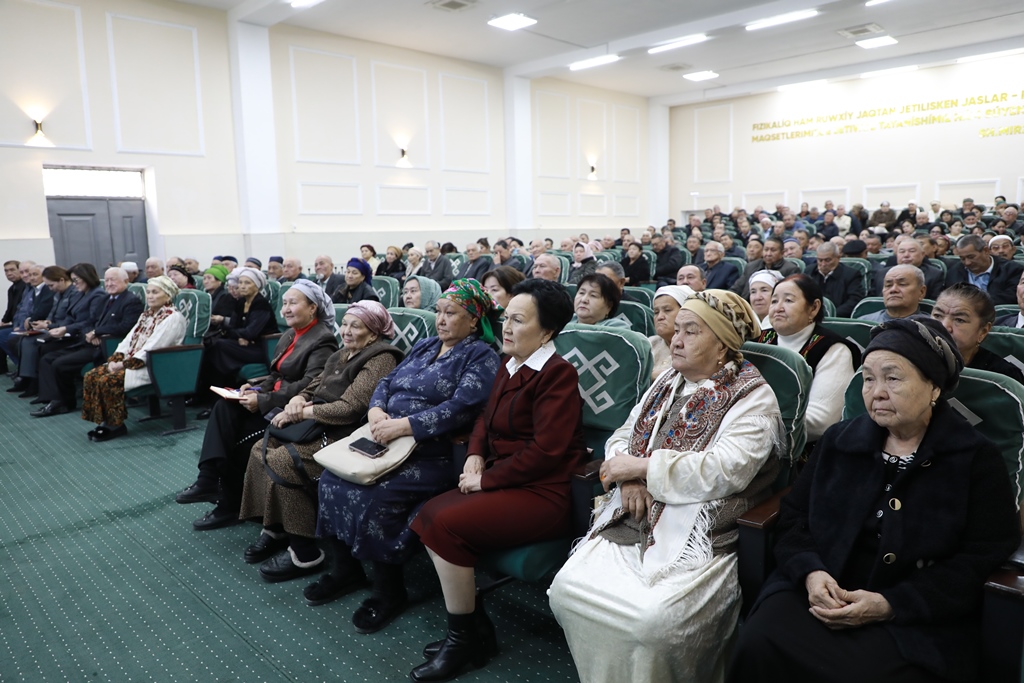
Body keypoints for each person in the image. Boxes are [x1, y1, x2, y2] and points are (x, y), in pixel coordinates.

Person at [729, 316, 1020, 683]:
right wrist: (811, 572)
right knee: (758, 643)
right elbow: (794, 517)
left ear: (934, 387)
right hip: (822, 591)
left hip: (913, 614)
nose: (876, 392)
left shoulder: (974, 458)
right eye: (868, 379)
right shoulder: (839, 441)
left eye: (892, 378)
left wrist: (891, 604)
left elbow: (983, 553)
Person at [550, 289, 785, 683]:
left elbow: (725, 470)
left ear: (723, 344)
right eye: (676, 330)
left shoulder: (753, 396)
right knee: (567, 590)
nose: (675, 340)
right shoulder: (667, 381)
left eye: (691, 331)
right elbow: (623, 434)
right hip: (633, 513)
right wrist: (629, 478)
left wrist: (642, 469)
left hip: (701, 530)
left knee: (651, 622)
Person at [408, 279, 585, 681]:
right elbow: (485, 419)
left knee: (444, 523)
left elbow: (546, 452)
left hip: (544, 492)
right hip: (508, 480)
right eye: (507, 317)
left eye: (519, 320)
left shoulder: (557, 374)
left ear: (547, 332)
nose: (506, 327)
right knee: (428, 514)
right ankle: (473, 630)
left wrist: (486, 480)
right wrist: (474, 454)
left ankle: (463, 639)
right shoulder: (511, 362)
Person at [313, 279, 500, 634]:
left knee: (376, 495)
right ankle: (346, 570)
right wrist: (376, 410)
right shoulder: (426, 345)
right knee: (330, 480)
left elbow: (462, 407)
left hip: (432, 453)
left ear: (474, 320)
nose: (440, 320)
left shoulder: (481, 356)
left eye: (451, 313)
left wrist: (404, 426)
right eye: (438, 312)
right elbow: (386, 381)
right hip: (385, 438)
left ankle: (389, 590)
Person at [239, 302, 404, 583]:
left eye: (355, 326)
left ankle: (304, 551)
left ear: (374, 334)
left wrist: (301, 412)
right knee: (260, 449)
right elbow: (314, 384)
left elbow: (350, 409)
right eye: (345, 324)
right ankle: (276, 527)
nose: (346, 331)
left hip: (347, 434)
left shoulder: (381, 358)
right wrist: (298, 398)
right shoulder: (341, 353)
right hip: (319, 424)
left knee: (284, 460)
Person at [177, 280, 339, 530]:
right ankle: (207, 479)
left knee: (237, 439)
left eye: (293, 303)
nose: (286, 309)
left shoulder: (323, 339)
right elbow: (275, 374)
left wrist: (263, 399)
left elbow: (310, 384)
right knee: (224, 407)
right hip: (272, 401)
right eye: (284, 303)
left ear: (312, 308)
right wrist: (255, 389)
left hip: (290, 411)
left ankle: (228, 505)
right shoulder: (290, 334)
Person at [81, 277, 186, 442]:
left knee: (108, 380)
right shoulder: (147, 315)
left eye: (155, 292)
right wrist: (116, 358)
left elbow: (153, 346)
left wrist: (124, 365)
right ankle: (105, 421)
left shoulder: (172, 317)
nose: (150, 296)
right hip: (132, 361)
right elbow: (128, 339)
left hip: (155, 364)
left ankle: (115, 426)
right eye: (148, 292)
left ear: (167, 296)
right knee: (92, 376)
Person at [757, 275, 860, 442]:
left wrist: (751, 424)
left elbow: (820, 422)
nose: (778, 308)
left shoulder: (833, 350)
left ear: (813, 308)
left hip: (800, 448)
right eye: (774, 301)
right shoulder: (757, 342)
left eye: (788, 300)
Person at [32, 268, 144, 417]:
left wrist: (98, 332)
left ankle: (63, 403)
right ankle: (53, 399)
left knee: (60, 364)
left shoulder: (131, 301)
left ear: (126, 281)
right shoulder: (106, 299)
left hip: (107, 346)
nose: (109, 284)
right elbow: (90, 321)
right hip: (89, 342)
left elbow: (126, 326)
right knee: (48, 358)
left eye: (113, 280)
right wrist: (91, 332)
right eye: (107, 280)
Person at [21, 263, 105, 402]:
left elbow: (92, 321)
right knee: (46, 355)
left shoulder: (97, 295)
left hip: (86, 340)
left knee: (51, 356)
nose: (74, 284)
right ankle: (48, 396)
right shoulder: (82, 294)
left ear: (86, 277)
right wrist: (52, 326)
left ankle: (59, 400)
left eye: (76, 280)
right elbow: (70, 317)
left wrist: (64, 328)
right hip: (77, 335)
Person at [199, 266, 279, 401]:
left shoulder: (261, 304)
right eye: (240, 282)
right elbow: (231, 327)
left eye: (247, 283)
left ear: (257, 286)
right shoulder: (241, 302)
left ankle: (214, 396)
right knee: (213, 346)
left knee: (219, 346)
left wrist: (243, 335)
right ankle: (215, 394)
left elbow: (250, 332)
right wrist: (241, 336)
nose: (242, 286)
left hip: (262, 349)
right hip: (244, 345)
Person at [931, 283, 1024, 383]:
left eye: (959, 320)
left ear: (983, 331)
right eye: (937, 315)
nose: (944, 326)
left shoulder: (1003, 377)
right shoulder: (918, 359)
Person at [945, 234, 1024, 306]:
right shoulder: (954, 271)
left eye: (971, 257)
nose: (967, 262)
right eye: (962, 258)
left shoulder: (1012, 269)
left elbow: (1012, 297)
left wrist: (976, 303)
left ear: (986, 251)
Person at [648, 285, 694, 381]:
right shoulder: (648, 344)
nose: (660, 317)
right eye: (656, 312)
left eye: (667, 310)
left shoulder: (696, 347)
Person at [807, 242, 865, 317]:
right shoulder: (809, 272)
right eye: (820, 260)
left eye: (828, 260)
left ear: (838, 258)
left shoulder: (851, 274)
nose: (823, 264)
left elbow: (854, 300)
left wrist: (832, 314)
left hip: (839, 317)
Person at [733, 237, 800, 298]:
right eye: (766, 250)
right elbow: (736, 289)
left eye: (773, 250)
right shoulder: (751, 266)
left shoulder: (791, 269)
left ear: (782, 253)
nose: (768, 254)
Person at [861, 265, 928, 323]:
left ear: (921, 292)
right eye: (888, 285)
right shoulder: (864, 324)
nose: (893, 290)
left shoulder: (931, 327)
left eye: (902, 284)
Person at [202, 265, 234, 336]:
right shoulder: (205, 295)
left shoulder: (226, 296)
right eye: (204, 278)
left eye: (209, 278)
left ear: (220, 281)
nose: (205, 281)